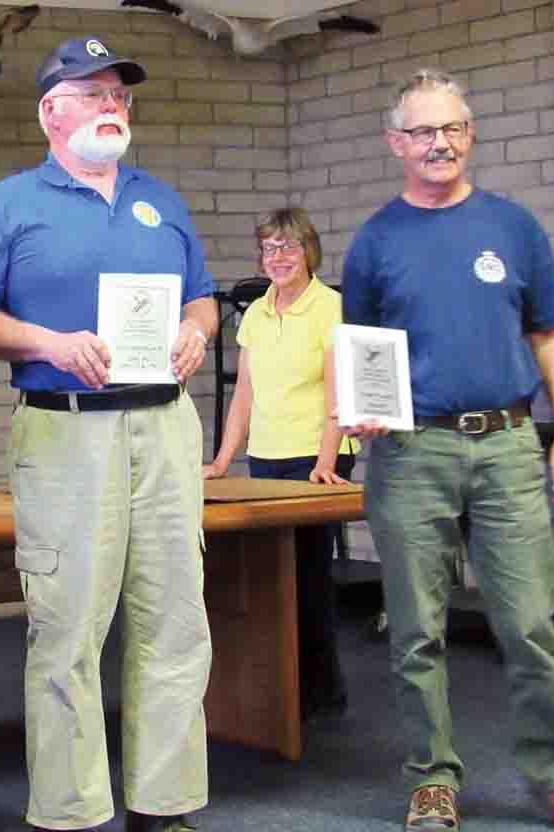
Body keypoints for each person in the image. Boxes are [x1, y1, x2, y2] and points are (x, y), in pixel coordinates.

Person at [0, 35, 216, 832]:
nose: (112, 105)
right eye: (93, 92)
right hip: (67, 433)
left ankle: (162, 805)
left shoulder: (160, 199)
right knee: (67, 629)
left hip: (165, 426)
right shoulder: (11, 202)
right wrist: (47, 343)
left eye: (120, 94)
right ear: (50, 112)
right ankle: (70, 811)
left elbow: (200, 296)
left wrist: (198, 332)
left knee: (175, 619)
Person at [342, 68, 554, 832]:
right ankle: (432, 778)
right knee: (416, 629)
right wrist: (361, 411)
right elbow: (362, 348)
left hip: (506, 447)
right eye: (425, 132)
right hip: (410, 453)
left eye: (454, 128)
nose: (441, 144)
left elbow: (549, 332)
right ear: (397, 144)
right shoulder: (375, 241)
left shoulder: (514, 226)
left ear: (471, 134)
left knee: (530, 623)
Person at [203, 206, 358, 722]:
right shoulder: (254, 313)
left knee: (309, 579)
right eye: (269, 248)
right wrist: (223, 460)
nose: (278, 257)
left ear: (308, 251)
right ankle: (278, 690)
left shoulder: (330, 307)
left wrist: (326, 462)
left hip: (317, 461)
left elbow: (340, 391)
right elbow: (243, 394)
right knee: (269, 580)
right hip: (266, 458)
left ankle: (321, 694)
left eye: (288, 247)